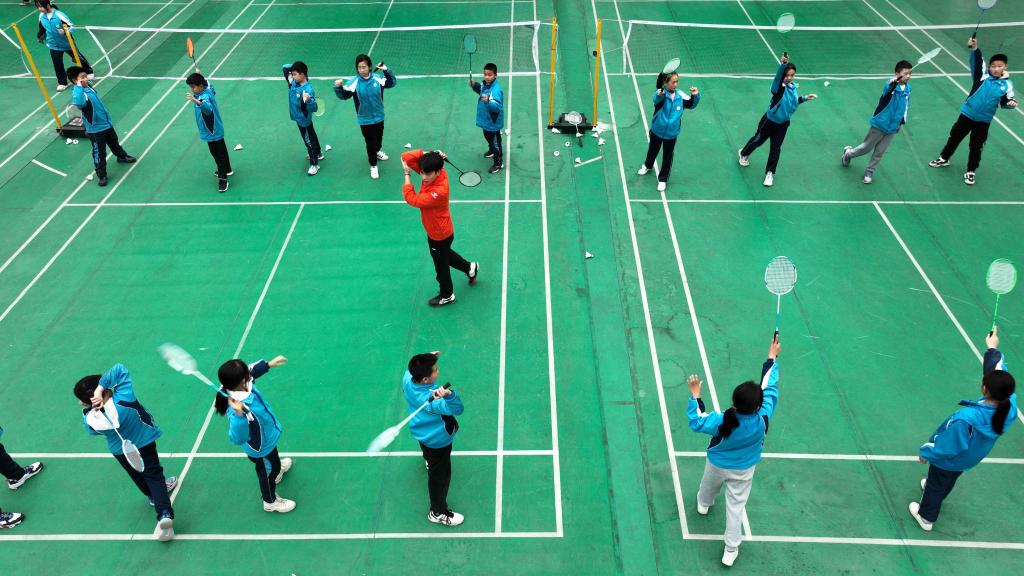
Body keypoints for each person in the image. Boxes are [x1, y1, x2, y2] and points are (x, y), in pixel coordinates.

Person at [909, 327, 1016, 531]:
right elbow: (998, 371)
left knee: (937, 482)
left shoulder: (967, 419)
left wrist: (927, 452)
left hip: (950, 459)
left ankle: (926, 517)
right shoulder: (1010, 405)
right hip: (970, 457)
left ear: (984, 388)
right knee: (948, 479)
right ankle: (936, 492)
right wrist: (992, 348)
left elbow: (948, 446)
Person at [688, 334, 780, 567]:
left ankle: (704, 503)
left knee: (708, 485)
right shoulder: (763, 418)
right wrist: (772, 358)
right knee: (735, 508)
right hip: (743, 469)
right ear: (758, 406)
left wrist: (696, 396)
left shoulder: (722, 420)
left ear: (734, 401)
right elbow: (769, 388)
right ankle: (730, 550)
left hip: (717, 464)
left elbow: (697, 421)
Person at [73, 364, 177, 541]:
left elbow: (93, 432)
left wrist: (90, 405)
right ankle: (164, 513)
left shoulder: (89, 418)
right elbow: (120, 369)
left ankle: (152, 497)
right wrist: (100, 387)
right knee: (154, 475)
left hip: (120, 450)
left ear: (85, 402)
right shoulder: (123, 398)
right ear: (105, 389)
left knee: (137, 474)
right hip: (144, 442)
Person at [929, 38, 1017, 185]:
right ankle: (944, 158)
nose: (996, 69)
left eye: (999, 66)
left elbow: (1006, 102)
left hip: (983, 120)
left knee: (976, 146)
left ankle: (971, 171)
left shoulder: (1007, 85)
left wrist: (1011, 103)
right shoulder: (982, 76)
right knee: (955, 137)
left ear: (1005, 67)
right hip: (967, 114)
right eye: (993, 66)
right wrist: (974, 48)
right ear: (989, 67)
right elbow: (977, 62)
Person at [215, 355, 294, 513]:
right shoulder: (237, 409)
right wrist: (239, 415)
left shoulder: (241, 384)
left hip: (267, 435)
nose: (249, 374)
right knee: (267, 472)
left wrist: (268, 364)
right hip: (260, 446)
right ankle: (270, 501)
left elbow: (252, 371)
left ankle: (276, 468)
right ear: (240, 381)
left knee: (273, 459)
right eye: (246, 374)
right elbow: (238, 438)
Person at [401, 148, 479, 307]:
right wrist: (429, 153)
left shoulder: (438, 192)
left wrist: (407, 174)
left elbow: (412, 199)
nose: (423, 177)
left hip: (439, 233)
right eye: (422, 172)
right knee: (444, 255)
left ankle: (447, 294)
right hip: (439, 231)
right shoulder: (437, 171)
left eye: (427, 174)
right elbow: (405, 156)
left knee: (441, 267)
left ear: (437, 172)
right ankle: (470, 268)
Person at [403, 351, 465, 526]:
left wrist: (425, 357)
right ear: (425, 379)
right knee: (440, 477)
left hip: (421, 431)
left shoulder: (408, 380)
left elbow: (409, 370)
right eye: (435, 369)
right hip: (438, 441)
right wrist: (449, 395)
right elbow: (458, 409)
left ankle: (429, 461)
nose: (438, 371)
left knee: (426, 450)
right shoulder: (433, 401)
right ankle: (437, 512)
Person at [737, 55, 816, 187]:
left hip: (783, 124)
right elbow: (778, 78)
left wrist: (805, 98)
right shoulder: (777, 88)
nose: (789, 77)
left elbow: (792, 102)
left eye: (792, 75)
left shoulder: (792, 87)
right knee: (758, 140)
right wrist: (783, 65)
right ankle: (744, 154)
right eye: (787, 75)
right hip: (769, 121)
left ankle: (770, 173)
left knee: (776, 148)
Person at [842, 60, 913, 184]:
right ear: (897, 74)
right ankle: (849, 153)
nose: (908, 76)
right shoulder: (891, 86)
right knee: (866, 148)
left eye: (910, 73)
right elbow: (888, 87)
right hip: (880, 124)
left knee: (879, 152)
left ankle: (870, 171)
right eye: (905, 73)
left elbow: (906, 106)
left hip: (893, 127)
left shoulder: (908, 89)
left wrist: (901, 122)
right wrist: (893, 82)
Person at [68, 66, 137, 186]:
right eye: (82, 77)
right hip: (95, 129)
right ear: (75, 81)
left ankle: (121, 156)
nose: (86, 78)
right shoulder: (78, 93)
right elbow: (79, 103)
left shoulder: (88, 87)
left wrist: (83, 83)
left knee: (114, 142)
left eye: (85, 76)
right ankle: (101, 174)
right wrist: (78, 86)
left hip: (105, 123)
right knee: (99, 152)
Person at [335, 54, 397, 180]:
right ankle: (373, 165)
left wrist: (386, 70)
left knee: (378, 139)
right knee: (370, 142)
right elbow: (344, 96)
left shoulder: (378, 79)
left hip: (379, 116)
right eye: (359, 67)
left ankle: (377, 151)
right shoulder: (354, 82)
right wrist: (338, 87)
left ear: (369, 67)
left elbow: (392, 83)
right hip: (365, 119)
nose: (361, 70)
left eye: (364, 67)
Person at [637, 71, 699, 191]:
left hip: (671, 133)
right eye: (673, 82)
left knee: (668, 156)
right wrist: (659, 94)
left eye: (677, 81)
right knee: (652, 150)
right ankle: (647, 165)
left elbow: (691, 104)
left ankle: (663, 179)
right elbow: (656, 99)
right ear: (666, 83)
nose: (675, 84)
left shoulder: (681, 96)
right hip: (657, 129)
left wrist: (695, 96)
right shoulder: (661, 95)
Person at [186, 72, 232, 193]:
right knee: (222, 151)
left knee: (217, 155)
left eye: (193, 87)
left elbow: (207, 109)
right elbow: (209, 84)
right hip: (214, 130)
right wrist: (201, 76)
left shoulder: (203, 97)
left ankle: (223, 179)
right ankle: (227, 169)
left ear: (201, 86)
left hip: (212, 131)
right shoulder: (208, 88)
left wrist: (197, 101)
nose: (192, 89)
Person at [35, 0, 93, 92]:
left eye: (41, 6)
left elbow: (71, 26)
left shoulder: (59, 15)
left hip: (67, 43)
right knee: (57, 64)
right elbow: (42, 28)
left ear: (48, 5)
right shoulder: (41, 16)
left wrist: (65, 32)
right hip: (53, 45)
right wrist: (40, 37)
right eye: (38, 7)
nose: (39, 9)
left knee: (78, 57)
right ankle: (62, 83)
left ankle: (88, 71)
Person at [282, 61, 321, 175]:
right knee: (311, 135)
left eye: (295, 74)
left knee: (308, 141)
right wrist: (295, 67)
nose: (293, 76)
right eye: (293, 74)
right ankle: (318, 153)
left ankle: (314, 164)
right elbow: (285, 68)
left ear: (302, 74)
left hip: (304, 120)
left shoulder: (308, 90)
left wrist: (308, 100)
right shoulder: (293, 83)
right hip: (297, 117)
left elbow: (314, 108)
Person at [468, 63, 505, 174]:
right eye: (485, 74)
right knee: (487, 136)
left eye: (490, 75)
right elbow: (481, 90)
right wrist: (474, 85)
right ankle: (492, 150)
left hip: (493, 122)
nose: (487, 77)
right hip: (486, 121)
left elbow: (497, 107)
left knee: (496, 143)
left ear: (495, 75)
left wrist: (488, 101)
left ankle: (498, 163)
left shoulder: (496, 90)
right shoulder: (486, 84)